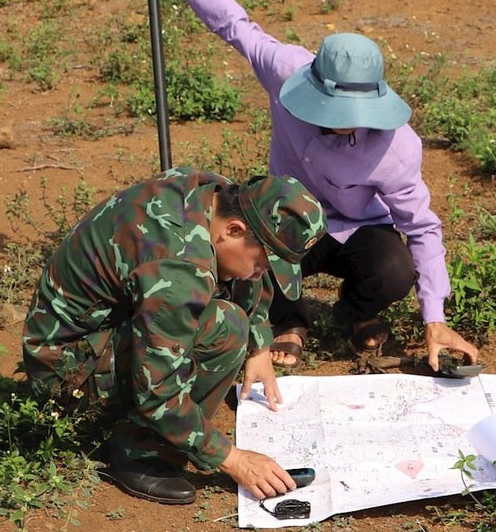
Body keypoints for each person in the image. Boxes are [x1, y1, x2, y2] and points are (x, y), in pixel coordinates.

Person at [136, 0, 481, 374]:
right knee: (251, 236)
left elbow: (422, 229)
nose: (345, 122)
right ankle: (288, 322)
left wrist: (435, 319)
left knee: (393, 267)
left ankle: (356, 309)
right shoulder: (284, 71)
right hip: (288, 225)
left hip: (356, 231)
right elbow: (232, 23)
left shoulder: (395, 146)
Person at [20, 167, 325, 506]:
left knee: (235, 314)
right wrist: (232, 459)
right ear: (234, 230)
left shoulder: (215, 194)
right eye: (264, 264)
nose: (260, 274)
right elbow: (159, 389)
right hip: (64, 372)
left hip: (102, 330)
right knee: (225, 327)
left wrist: (259, 346)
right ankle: (137, 449)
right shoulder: (179, 268)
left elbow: (248, 273)